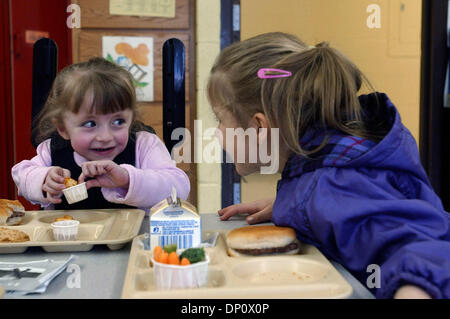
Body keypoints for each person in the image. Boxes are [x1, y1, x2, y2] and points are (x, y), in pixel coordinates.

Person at [208, 32, 450, 299]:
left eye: (220, 119)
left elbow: (419, 253)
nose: (217, 132)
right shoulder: (326, 171)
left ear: (258, 128)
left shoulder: (331, 189)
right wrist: (289, 203)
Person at [12, 57, 190, 212]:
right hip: (69, 246)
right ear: (63, 128)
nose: (105, 136)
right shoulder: (52, 151)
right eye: (90, 124)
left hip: (134, 245)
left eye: (118, 122)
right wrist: (44, 180)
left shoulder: (144, 145)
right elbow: (21, 174)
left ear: (131, 118)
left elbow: (179, 188)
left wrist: (128, 179)